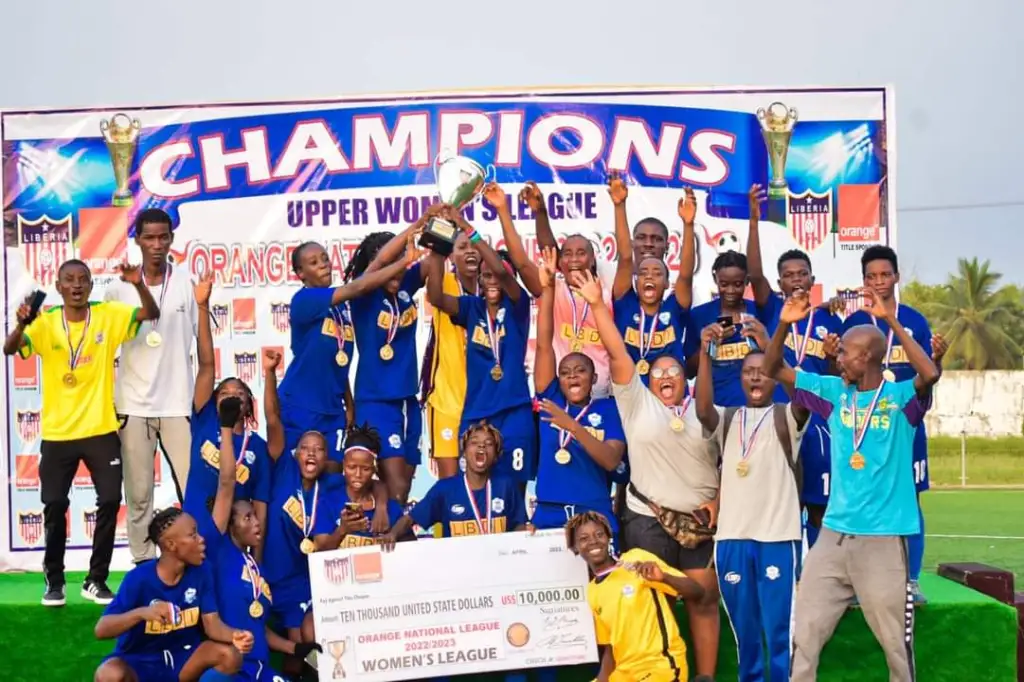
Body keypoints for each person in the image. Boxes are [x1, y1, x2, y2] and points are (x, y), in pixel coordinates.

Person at [762, 289, 940, 682]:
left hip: (883, 539)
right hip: (833, 537)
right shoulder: (832, 393)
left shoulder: (900, 400)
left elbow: (929, 374)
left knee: (895, 647)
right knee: (805, 635)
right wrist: (784, 324)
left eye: (845, 353)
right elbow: (774, 368)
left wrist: (891, 320)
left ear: (868, 358)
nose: (837, 358)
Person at [572, 268, 721, 681]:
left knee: (703, 598)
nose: (667, 377)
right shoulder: (636, 403)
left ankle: (704, 678)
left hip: (699, 522)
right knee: (651, 599)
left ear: (686, 381)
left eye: (674, 372)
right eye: (658, 373)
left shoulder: (706, 410)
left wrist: (719, 500)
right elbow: (618, 352)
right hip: (648, 518)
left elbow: (734, 462)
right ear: (647, 382)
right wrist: (598, 304)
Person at [3, 259, 160, 606]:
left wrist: (137, 283)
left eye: (82, 280)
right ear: (58, 287)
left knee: (109, 500)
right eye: (68, 280)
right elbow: (10, 349)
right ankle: (54, 581)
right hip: (58, 434)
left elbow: (150, 312)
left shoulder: (107, 315)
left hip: (101, 429)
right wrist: (20, 325)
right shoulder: (43, 323)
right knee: (54, 504)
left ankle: (96, 579)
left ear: (91, 285)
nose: (76, 285)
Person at [694, 318, 807, 682]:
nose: (755, 378)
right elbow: (702, 411)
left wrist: (774, 345)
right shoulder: (729, 418)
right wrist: (706, 355)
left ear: (773, 376)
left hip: (777, 537)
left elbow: (803, 397)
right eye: (748, 372)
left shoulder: (786, 417)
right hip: (732, 539)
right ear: (740, 379)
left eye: (763, 371)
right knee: (745, 632)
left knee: (777, 631)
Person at [842, 245, 947, 603]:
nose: (879, 282)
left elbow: (928, 374)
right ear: (863, 281)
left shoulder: (914, 320)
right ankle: (860, 582)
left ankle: (911, 581)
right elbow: (842, 377)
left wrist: (940, 360)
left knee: (910, 500)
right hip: (866, 430)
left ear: (897, 277)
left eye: (885, 275)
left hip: (905, 427)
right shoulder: (853, 323)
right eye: (871, 276)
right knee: (864, 500)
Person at [745, 192, 843, 548]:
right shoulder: (771, 308)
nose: (796, 280)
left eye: (802, 273)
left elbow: (837, 376)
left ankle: (821, 572)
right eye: (788, 275)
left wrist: (832, 358)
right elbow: (753, 271)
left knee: (818, 503)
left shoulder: (828, 318)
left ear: (812, 278)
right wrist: (754, 217)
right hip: (778, 417)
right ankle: (789, 571)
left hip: (816, 420)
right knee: (781, 503)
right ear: (780, 282)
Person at [202, 393, 321, 682]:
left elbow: (258, 628)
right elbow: (227, 482)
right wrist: (227, 429)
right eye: (247, 518)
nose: (257, 523)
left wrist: (297, 648)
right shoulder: (218, 550)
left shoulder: (255, 566)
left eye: (255, 516)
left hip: (260, 670)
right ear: (229, 525)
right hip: (231, 669)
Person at [104, 209, 198, 565]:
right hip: (134, 405)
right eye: (149, 238)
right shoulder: (118, 288)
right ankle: (143, 563)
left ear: (172, 239)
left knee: (193, 489)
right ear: (138, 240)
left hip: (177, 403)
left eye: (163, 237)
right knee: (139, 493)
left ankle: (195, 559)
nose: (157, 245)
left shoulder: (187, 282)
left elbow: (199, 342)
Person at [423, 205, 537, 489]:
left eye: (497, 276)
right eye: (485, 277)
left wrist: (465, 224)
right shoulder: (471, 308)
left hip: (514, 411)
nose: (492, 280)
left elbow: (501, 269)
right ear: (481, 283)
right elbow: (436, 296)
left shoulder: (517, 306)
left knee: (514, 487)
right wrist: (438, 247)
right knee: (473, 489)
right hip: (477, 413)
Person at [280, 238, 420, 462]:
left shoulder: (343, 306)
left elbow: (338, 360)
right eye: (314, 262)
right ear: (300, 273)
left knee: (334, 477)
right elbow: (361, 285)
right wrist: (404, 262)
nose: (324, 264)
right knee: (294, 477)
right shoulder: (304, 300)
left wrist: (349, 402)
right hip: (301, 404)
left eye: (325, 259)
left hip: (334, 408)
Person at [531, 247, 626, 539]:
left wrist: (572, 426)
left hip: (594, 509)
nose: (572, 375)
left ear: (594, 377)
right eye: (566, 371)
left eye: (580, 370)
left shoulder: (608, 409)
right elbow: (545, 343)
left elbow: (611, 461)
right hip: (549, 511)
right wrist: (547, 288)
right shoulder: (550, 402)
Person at [92, 508, 248, 682]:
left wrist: (235, 635)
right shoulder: (139, 579)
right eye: (193, 535)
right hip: (140, 660)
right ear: (171, 545)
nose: (201, 540)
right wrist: (142, 613)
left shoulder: (202, 572)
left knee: (229, 655)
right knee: (109, 674)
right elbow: (101, 630)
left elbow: (213, 625)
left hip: (183, 657)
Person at [181, 276, 273, 557]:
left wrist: (257, 559)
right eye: (224, 392)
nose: (232, 396)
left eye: (239, 393)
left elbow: (260, 505)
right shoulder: (205, 418)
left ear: (248, 405)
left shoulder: (256, 446)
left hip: (232, 538)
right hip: (194, 526)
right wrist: (202, 306)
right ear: (213, 401)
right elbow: (207, 363)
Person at [345, 222, 430, 502]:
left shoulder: (405, 285)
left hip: (408, 401)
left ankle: (389, 537)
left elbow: (433, 261)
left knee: (402, 492)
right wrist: (415, 225)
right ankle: (383, 542)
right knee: (393, 489)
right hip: (376, 401)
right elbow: (380, 263)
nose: (395, 269)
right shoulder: (362, 294)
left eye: (400, 263)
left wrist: (446, 219)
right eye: (388, 264)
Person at [567, 511, 705, 682]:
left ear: (609, 537)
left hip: (658, 667)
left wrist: (665, 577)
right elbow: (611, 647)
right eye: (584, 538)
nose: (593, 541)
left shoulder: (636, 559)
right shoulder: (593, 591)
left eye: (599, 534)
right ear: (574, 547)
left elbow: (697, 592)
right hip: (625, 673)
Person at [518, 182, 615, 398]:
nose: (573, 259)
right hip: (558, 393)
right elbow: (545, 254)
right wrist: (540, 213)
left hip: (599, 394)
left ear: (592, 259)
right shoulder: (555, 287)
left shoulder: (607, 289)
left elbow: (626, 259)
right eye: (567, 254)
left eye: (581, 253)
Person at [683, 186, 766, 406]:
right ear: (715, 282)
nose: (731, 291)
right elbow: (689, 372)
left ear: (747, 282)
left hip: (756, 409)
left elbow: (778, 361)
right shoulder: (700, 315)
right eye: (724, 284)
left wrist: (763, 341)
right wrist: (706, 346)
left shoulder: (759, 312)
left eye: (738, 284)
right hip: (715, 411)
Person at [383, 422, 529, 542]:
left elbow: (518, 526)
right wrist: (393, 534)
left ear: (496, 455)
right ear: (464, 452)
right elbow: (410, 519)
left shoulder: (506, 486)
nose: (481, 446)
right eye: (474, 442)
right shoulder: (445, 489)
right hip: (458, 571)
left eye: (489, 443)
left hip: (497, 568)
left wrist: (528, 532)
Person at [610, 181, 696, 383]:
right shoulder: (625, 301)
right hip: (630, 396)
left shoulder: (674, 306)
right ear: (636, 278)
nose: (649, 276)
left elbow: (686, 274)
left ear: (667, 283)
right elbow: (624, 257)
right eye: (643, 273)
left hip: (667, 397)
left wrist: (689, 225)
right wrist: (619, 206)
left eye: (657, 272)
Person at [420, 230, 481, 480]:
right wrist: (440, 231)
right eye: (461, 247)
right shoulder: (444, 281)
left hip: (483, 401)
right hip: (447, 399)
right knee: (450, 484)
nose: (469, 251)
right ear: (451, 256)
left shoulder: (491, 288)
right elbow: (434, 294)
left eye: (473, 247)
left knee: (485, 481)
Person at [314, 423, 412, 549]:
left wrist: (393, 537)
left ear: (374, 468)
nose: (358, 474)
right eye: (351, 467)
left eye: (365, 468)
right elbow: (319, 552)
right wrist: (342, 530)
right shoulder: (328, 503)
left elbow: (411, 549)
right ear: (343, 465)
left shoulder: (390, 509)